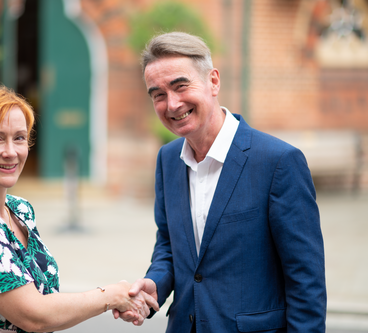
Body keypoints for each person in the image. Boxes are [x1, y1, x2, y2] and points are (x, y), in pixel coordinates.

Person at [114, 32, 327, 332]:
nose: (172, 104)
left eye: (180, 86)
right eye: (158, 94)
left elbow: (306, 279)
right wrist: (155, 284)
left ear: (213, 82)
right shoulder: (167, 159)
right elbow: (169, 245)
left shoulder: (279, 161)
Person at [0, 84, 159, 333]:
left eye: (19, 138)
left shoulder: (20, 210)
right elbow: (36, 316)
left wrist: (121, 297)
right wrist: (110, 296)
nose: (11, 152)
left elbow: (50, 306)